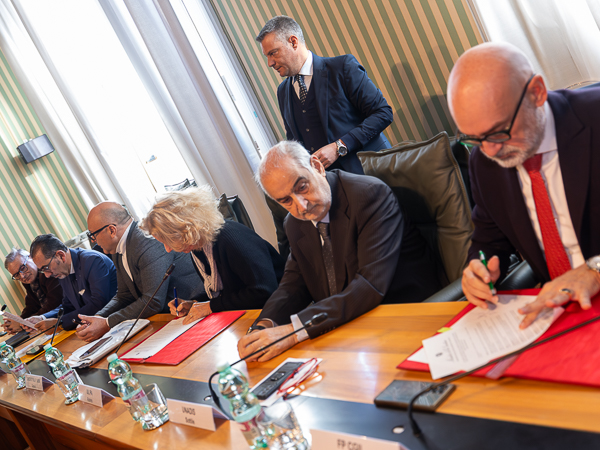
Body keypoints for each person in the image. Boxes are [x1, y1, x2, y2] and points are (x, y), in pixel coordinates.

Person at [237, 141, 441, 362]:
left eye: (302, 187)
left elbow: (369, 285)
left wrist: (294, 331)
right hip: (348, 328)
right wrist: (262, 327)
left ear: (317, 166)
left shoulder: (369, 195)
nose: (301, 206)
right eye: (286, 200)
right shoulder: (294, 224)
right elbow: (293, 283)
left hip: (403, 319)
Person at [447, 42, 600, 329]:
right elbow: (489, 240)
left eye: (499, 132)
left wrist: (595, 270)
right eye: (474, 138)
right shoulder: (483, 162)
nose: (490, 151)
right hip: (556, 315)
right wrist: (480, 266)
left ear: (537, 92)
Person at [256, 15, 394, 258]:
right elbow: (295, 143)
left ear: (293, 42)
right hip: (331, 199)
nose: (270, 63)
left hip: (370, 182)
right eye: (267, 56)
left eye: (273, 53)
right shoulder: (283, 92)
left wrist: (340, 146)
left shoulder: (342, 67)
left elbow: (383, 113)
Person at [141, 186, 285, 323]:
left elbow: (263, 291)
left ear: (185, 228)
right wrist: (195, 303)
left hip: (280, 310)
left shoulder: (231, 239)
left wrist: (211, 306)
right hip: (248, 314)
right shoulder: (198, 247)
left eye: (168, 241)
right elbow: (225, 290)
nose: (167, 249)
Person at [75, 202, 206, 343]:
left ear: (112, 230)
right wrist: (98, 317)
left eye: (93, 235)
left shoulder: (146, 240)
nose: (94, 241)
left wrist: (107, 323)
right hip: (167, 319)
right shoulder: (118, 248)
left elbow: (153, 301)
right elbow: (124, 295)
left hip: (196, 310)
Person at [28, 234, 117, 332]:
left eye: (46, 268)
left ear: (61, 255)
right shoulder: (62, 270)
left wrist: (60, 322)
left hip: (115, 323)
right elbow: (68, 305)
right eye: (42, 270)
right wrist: (43, 318)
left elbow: (98, 304)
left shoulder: (92, 261)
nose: (47, 275)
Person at [2, 248, 63, 334]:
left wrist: (22, 323)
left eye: (23, 268)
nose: (22, 276)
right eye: (16, 275)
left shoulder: (48, 271)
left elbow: (53, 305)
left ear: (31, 257)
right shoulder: (29, 280)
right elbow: (31, 306)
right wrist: (19, 320)